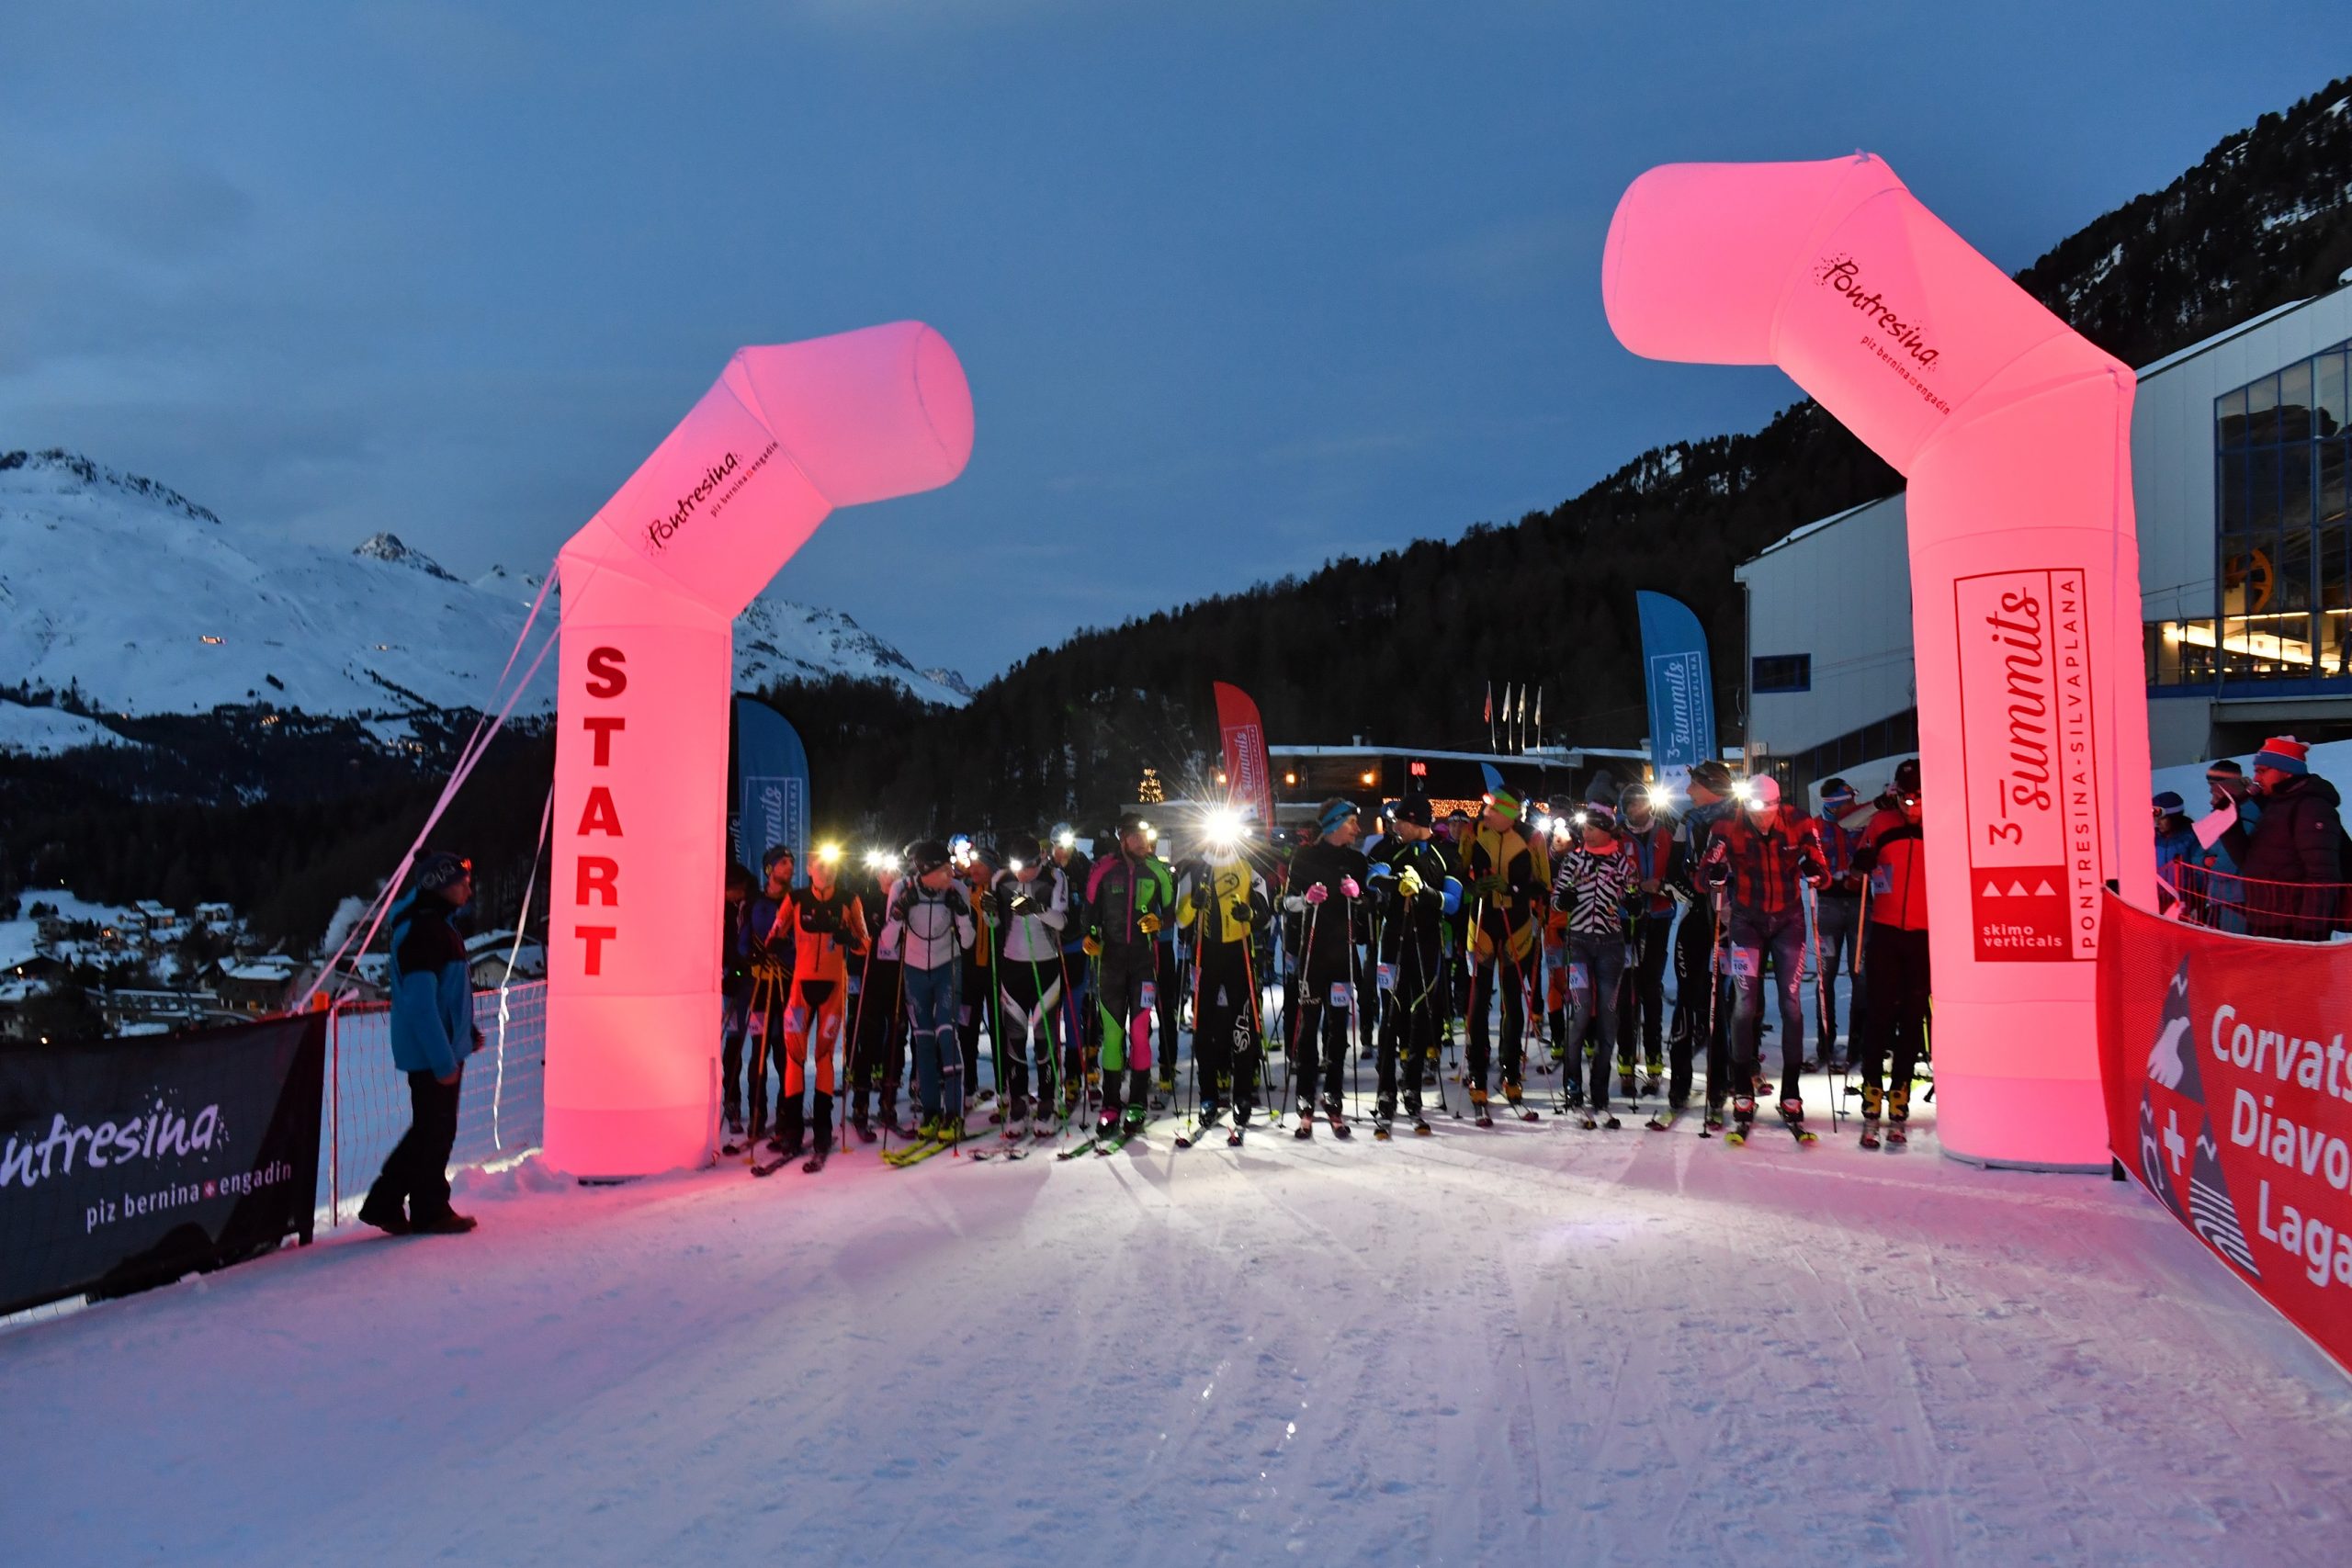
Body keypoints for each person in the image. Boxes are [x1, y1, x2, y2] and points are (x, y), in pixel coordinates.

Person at [359, 851, 482, 1235]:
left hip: (441, 1048)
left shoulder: (434, 926)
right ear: (439, 884)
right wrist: (444, 1060)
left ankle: (388, 1203)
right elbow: (420, 1004)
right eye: (461, 882)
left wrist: (464, 1035)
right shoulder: (424, 932)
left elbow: (443, 997)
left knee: (432, 1130)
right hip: (432, 1055)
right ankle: (425, 1208)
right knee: (434, 1131)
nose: (468, 888)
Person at [1699, 774, 1826, 1139]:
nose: (1760, 817)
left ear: (1777, 805)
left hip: (1789, 922)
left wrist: (1816, 870)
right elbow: (1705, 871)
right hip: (1746, 922)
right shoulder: (1728, 825)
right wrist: (1715, 875)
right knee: (1744, 1002)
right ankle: (1742, 1088)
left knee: (1791, 1002)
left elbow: (1819, 862)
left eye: (1766, 810)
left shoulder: (1800, 821)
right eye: (1753, 810)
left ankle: (1791, 1092)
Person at [769, 843, 869, 1168]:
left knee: (824, 1056)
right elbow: (775, 932)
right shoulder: (796, 899)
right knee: (794, 1057)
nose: (826, 872)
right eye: (819, 866)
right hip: (800, 988)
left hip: (832, 989)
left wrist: (849, 938)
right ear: (809, 869)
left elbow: (865, 945)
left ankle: (823, 1128)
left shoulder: (848, 900)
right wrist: (771, 944)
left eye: (831, 867)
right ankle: (792, 1129)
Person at [1365, 797, 1459, 1136]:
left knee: (1421, 1017)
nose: (1394, 827)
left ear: (1416, 820)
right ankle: (1386, 1089)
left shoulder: (1445, 853)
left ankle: (1413, 1088)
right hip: (1393, 940)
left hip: (1427, 942)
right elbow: (1372, 878)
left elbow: (1453, 902)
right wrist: (1395, 884)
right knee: (1390, 1014)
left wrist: (1424, 892)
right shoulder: (1386, 848)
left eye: (1400, 822)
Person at [1282, 797, 1372, 1137]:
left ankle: (1333, 1094)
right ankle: (1305, 1095)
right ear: (1334, 824)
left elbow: (1367, 906)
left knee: (1338, 1030)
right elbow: (1287, 902)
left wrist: (1359, 896)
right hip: (1312, 957)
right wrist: (1306, 899)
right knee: (1308, 1029)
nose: (1357, 828)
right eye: (1351, 822)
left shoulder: (1357, 860)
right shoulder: (1304, 856)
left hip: (1343, 957)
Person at [1849, 759, 1928, 1144]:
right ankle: (1871, 1089)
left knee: (1913, 1016)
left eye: (1919, 799)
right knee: (1879, 1014)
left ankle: (1901, 1091)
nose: (1913, 808)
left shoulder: (1942, 826)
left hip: (1925, 935)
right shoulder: (1881, 823)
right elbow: (1855, 861)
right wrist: (1861, 861)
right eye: (1906, 800)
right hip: (1885, 930)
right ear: (1895, 794)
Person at [1084, 812, 1176, 1139]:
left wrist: (1157, 922)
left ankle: (1136, 1101)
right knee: (1112, 1034)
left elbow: (1170, 914)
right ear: (1123, 838)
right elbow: (1090, 914)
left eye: (1145, 836)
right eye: (1136, 836)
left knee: (1139, 1031)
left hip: (1142, 964)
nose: (1143, 842)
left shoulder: (1160, 871)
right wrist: (1091, 936)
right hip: (1109, 963)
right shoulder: (1103, 870)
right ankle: (1111, 1104)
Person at [1175, 826, 1272, 1132]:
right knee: (1204, 1024)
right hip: (1207, 954)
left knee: (1244, 1023)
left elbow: (1266, 913)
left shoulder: (1246, 865)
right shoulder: (1195, 868)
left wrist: (1251, 914)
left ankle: (1242, 1094)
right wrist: (1193, 904)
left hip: (1239, 953)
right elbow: (1180, 918)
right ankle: (1208, 1094)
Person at [1553, 801, 1641, 1128]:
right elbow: (1557, 895)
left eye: (1592, 828)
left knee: (1607, 1015)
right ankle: (1573, 1084)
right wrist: (1563, 900)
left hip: (1611, 946)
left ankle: (1600, 1089)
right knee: (1580, 1011)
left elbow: (1633, 899)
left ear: (1606, 831)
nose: (1585, 832)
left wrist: (1633, 903)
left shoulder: (1622, 862)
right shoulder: (1575, 859)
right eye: (1585, 828)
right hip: (1578, 943)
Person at [1664, 760, 1737, 1122]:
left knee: (1721, 1002)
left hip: (1728, 922)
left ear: (1710, 785)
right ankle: (1680, 1080)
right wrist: (1693, 896)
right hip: (1696, 919)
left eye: (1694, 784)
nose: (1688, 790)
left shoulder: (1740, 818)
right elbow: (1672, 871)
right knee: (1687, 997)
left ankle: (1720, 1082)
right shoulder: (1687, 821)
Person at [2220, 737, 2345, 942]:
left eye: (2262, 771)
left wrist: (2308, 932)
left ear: (2287, 771)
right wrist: (2229, 824)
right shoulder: (2275, 805)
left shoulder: (2312, 808)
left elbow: (2323, 875)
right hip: (2266, 921)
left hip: (2292, 929)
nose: (2256, 778)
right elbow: (2250, 863)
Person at [892, 840, 977, 1142]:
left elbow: (967, 942)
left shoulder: (956, 889)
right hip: (914, 972)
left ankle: (954, 1113)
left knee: (947, 1035)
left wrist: (962, 913)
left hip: (946, 968)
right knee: (923, 1040)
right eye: (943, 870)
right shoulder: (902, 887)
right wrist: (900, 911)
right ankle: (931, 1111)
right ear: (925, 872)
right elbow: (888, 943)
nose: (950, 874)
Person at [992, 833, 1069, 1139]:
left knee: (1044, 1040)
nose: (1023, 874)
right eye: (1019, 868)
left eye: (1029, 867)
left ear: (1040, 860)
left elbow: (1062, 922)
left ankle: (1048, 1103)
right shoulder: (1000, 880)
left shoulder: (1055, 877)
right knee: (1014, 1041)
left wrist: (1036, 908)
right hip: (1013, 967)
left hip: (1046, 966)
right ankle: (1018, 1104)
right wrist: (988, 910)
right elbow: (992, 924)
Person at [1614, 784, 1677, 1097]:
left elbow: (1682, 877)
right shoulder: (1616, 837)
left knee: (1651, 988)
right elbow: (1608, 878)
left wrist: (1661, 886)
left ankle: (1654, 1059)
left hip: (1659, 917)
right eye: (1628, 806)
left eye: (1638, 805)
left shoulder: (1667, 834)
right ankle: (1625, 1060)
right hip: (1626, 920)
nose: (1633, 811)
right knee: (1626, 990)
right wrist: (1633, 890)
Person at [847, 852, 909, 1139]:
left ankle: (889, 1101)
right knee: (868, 1039)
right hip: (872, 978)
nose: (889, 876)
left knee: (896, 1039)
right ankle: (860, 1103)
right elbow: (856, 934)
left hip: (899, 979)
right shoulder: (867, 899)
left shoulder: (907, 899)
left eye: (894, 870)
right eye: (884, 871)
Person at [1809, 778, 1870, 1072]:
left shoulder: (1863, 820)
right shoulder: (1816, 827)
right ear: (1832, 804)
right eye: (1846, 801)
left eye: (1852, 799)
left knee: (1861, 973)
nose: (1852, 805)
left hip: (1860, 904)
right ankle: (1825, 1040)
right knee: (1827, 973)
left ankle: (1858, 1040)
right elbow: (1802, 858)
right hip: (1829, 905)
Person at [742, 846, 798, 1146]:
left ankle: (787, 1111)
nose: (789, 867)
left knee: (786, 1052)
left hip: (789, 986)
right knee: (759, 1051)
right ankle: (756, 1112)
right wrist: (752, 954)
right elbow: (742, 942)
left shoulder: (798, 902)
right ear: (769, 869)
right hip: (761, 986)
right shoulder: (755, 904)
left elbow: (805, 942)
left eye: (791, 863)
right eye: (783, 863)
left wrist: (787, 947)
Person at [1049, 822, 1097, 1103]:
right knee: (1050, 1016)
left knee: (1075, 1012)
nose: (1061, 852)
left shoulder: (1084, 868)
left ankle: (1076, 1073)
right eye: (1057, 847)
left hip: (1078, 947)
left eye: (1065, 846)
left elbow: (1093, 905)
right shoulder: (1046, 871)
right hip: (1051, 951)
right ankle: (1052, 1073)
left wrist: (1093, 932)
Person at [719, 863, 756, 1141]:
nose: (735, 894)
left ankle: (758, 1103)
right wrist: (730, 970)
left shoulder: (754, 906)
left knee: (760, 1038)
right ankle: (731, 1100)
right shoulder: (720, 909)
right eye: (732, 889)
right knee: (733, 1040)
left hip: (756, 980)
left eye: (738, 889)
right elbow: (720, 945)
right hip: (733, 981)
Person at [2152, 791, 2199, 914]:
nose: (2157, 822)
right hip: (2158, 902)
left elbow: (2199, 872)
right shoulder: (2154, 839)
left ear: (2174, 817)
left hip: (2184, 903)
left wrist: (2197, 904)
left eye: (2162, 818)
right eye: (2155, 818)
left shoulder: (2191, 838)